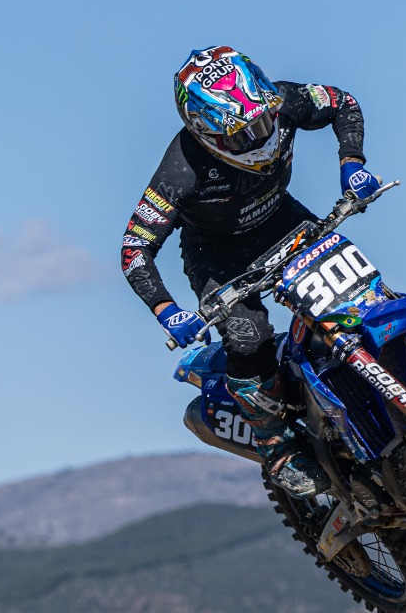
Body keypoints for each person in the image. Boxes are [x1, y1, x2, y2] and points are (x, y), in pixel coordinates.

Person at [121, 46, 383, 498]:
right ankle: (277, 447)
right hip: (216, 254)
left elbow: (342, 102)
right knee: (248, 338)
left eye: (263, 122)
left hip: (282, 219)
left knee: (358, 288)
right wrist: (167, 310)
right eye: (241, 135)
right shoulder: (179, 169)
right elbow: (135, 248)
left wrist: (352, 163)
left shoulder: (284, 99)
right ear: (205, 133)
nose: (259, 138)